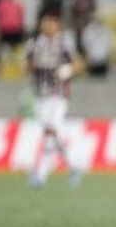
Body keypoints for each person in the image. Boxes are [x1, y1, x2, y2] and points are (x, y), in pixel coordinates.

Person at [25, 11, 84, 189]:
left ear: (57, 25)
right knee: (51, 133)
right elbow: (27, 65)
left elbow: (78, 63)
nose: (48, 26)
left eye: (51, 22)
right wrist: (35, 66)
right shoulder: (34, 43)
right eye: (45, 22)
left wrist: (67, 69)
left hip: (59, 94)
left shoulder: (64, 42)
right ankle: (73, 165)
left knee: (51, 130)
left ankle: (40, 175)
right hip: (40, 93)